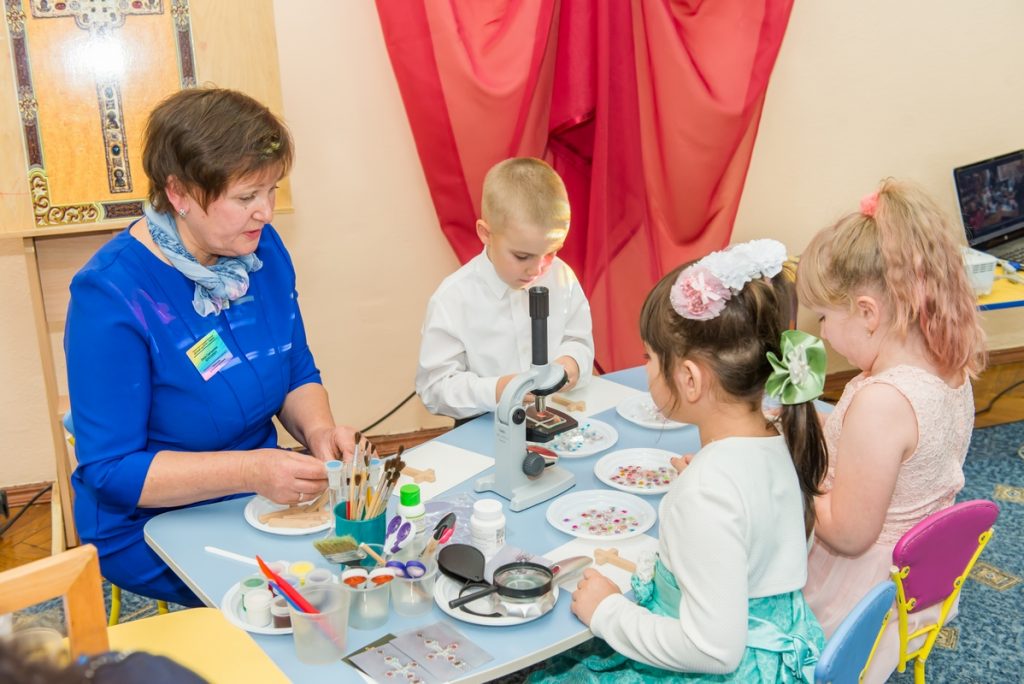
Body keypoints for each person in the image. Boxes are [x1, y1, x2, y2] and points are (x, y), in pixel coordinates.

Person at [64, 88, 358, 606]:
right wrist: (249, 470)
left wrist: (319, 433)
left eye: (271, 190)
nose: (266, 212)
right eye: (246, 197)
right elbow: (110, 471)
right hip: (151, 522)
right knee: (307, 595)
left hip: (254, 492)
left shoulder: (260, 250)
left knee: (358, 561)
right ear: (179, 193)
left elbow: (294, 368)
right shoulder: (110, 296)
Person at [531, 240, 827, 682]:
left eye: (649, 357)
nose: (646, 368)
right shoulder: (779, 438)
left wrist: (607, 611)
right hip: (772, 649)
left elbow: (712, 652)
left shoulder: (707, 493)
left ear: (689, 379)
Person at [797, 180, 985, 682]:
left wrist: (793, 470)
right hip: (921, 578)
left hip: (858, 595)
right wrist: (814, 421)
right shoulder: (949, 367)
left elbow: (848, 533)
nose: (821, 334)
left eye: (823, 317)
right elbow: (887, 456)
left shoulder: (882, 402)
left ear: (867, 312)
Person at [415, 157, 594, 420]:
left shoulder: (562, 277)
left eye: (551, 253)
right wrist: (498, 390)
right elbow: (434, 388)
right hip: (485, 424)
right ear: (485, 234)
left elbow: (578, 340)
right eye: (522, 256)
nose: (537, 269)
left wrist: (572, 362)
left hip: (554, 417)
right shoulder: (453, 298)